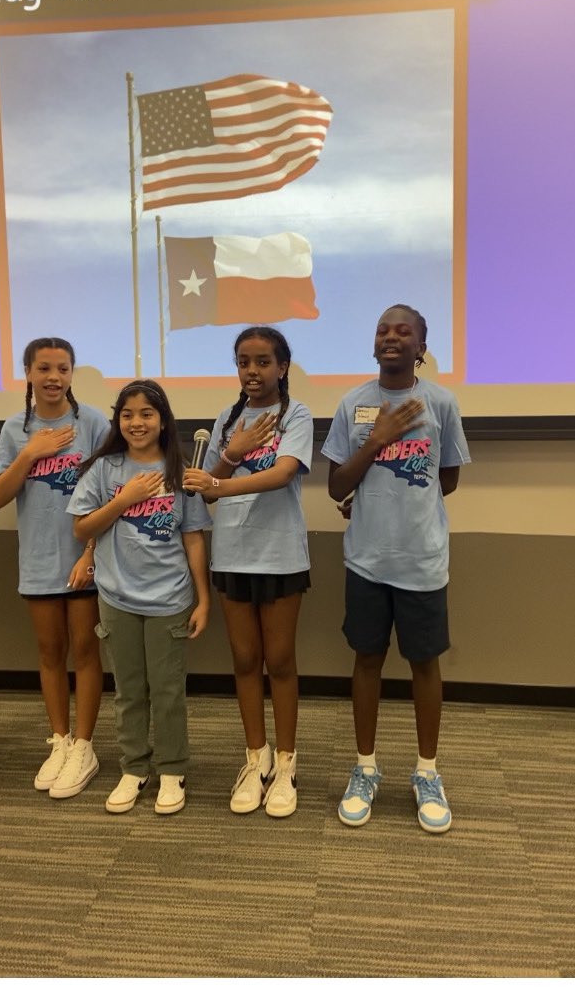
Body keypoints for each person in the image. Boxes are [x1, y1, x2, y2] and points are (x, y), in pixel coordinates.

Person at [321, 305, 470, 832]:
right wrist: (378, 440)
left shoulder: (442, 403)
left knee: (425, 664)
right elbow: (338, 486)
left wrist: (401, 498)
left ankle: (427, 772)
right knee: (367, 660)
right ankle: (365, 768)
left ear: (421, 347)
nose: (390, 337)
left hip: (423, 561)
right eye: (382, 329)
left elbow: (445, 479)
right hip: (366, 560)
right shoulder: (353, 404)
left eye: (403, 331)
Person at [183, 326, 312, 819]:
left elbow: (282, 475)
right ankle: (254, 761)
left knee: (279, 661)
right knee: (243, 661)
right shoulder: (226, 418)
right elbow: (210, 491)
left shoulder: (295, 414)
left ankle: (286, 764)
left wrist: (219, 479)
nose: (252, 371)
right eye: (243, 362)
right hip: (232, 554)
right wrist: (231, 454)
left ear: (283, 367)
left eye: (262, 361)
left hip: (280, 555)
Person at [68, 380, 210, 816]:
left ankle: (171, 769)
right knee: (129, 691)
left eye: (147, 413)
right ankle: (134, 767)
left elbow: (193, 539)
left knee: (167, 691)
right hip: (117, 598)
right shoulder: (106, 470)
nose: (136, 422)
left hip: (170, 599)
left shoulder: (179, 471)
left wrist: (203, 599)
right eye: (127, 414)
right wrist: (125, 500)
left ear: (164, 420)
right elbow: (82, 528)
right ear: (118, 421)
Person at [0, 337, 109, 799]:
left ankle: (84, 745)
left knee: (85, 652)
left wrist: (90, 555)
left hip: (83, 559)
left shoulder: (93, 423)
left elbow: (111, 492)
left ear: (72, 373)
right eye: (44, 368)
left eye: (62, 368)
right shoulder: (15, 428)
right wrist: (29, 454)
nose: (53, 377)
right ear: (29, 373)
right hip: (37, 560)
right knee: (49, 654)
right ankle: (59, 741)